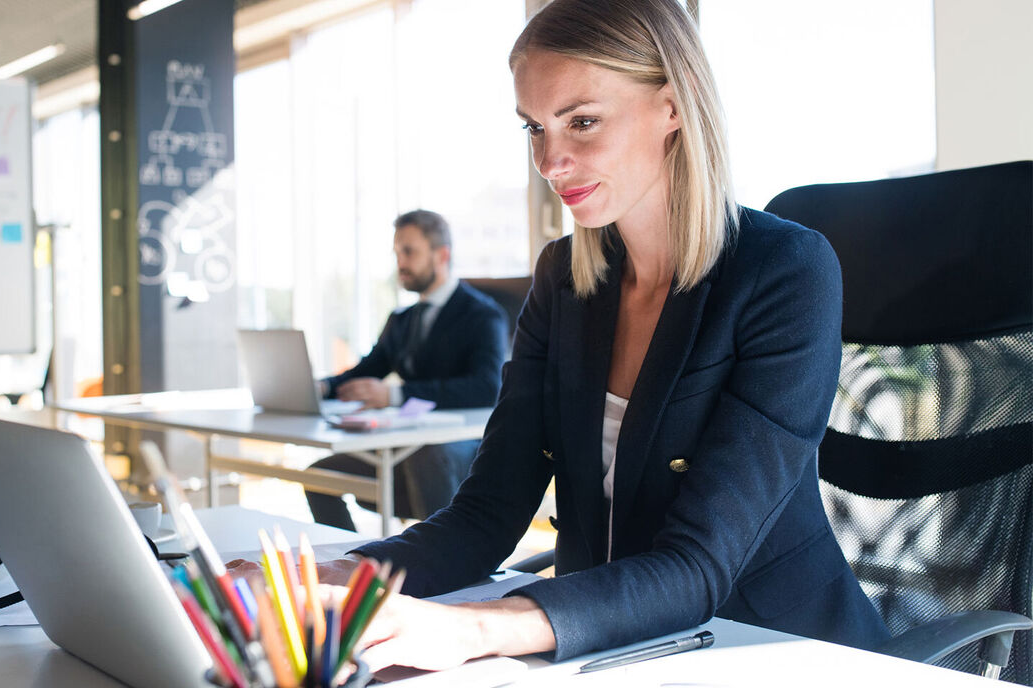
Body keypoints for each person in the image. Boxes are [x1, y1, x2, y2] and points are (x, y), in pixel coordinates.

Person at [308, 0, 891, 671]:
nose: (550, 162)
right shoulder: (563, 280)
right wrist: (330, 581)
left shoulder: (786, 274)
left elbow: (698, 567)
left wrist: (471, 628)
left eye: (581, 121)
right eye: (534, 128)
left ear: (672, 106)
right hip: (607, 648)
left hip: (772, 650)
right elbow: (487, 513)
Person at [304, 209, 508, 531]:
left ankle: (441, 564)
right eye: (397, 252)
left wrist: (395, 394)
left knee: (426, 457)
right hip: (406, 442)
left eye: (409, 251)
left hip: (460, 445)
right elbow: (367, 370)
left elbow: (486, 387)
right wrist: (321, 388)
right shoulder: (402, 320)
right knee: (319, 477)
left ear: (442, 255)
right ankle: (358, 570)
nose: (400, 262)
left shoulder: (482, 315)